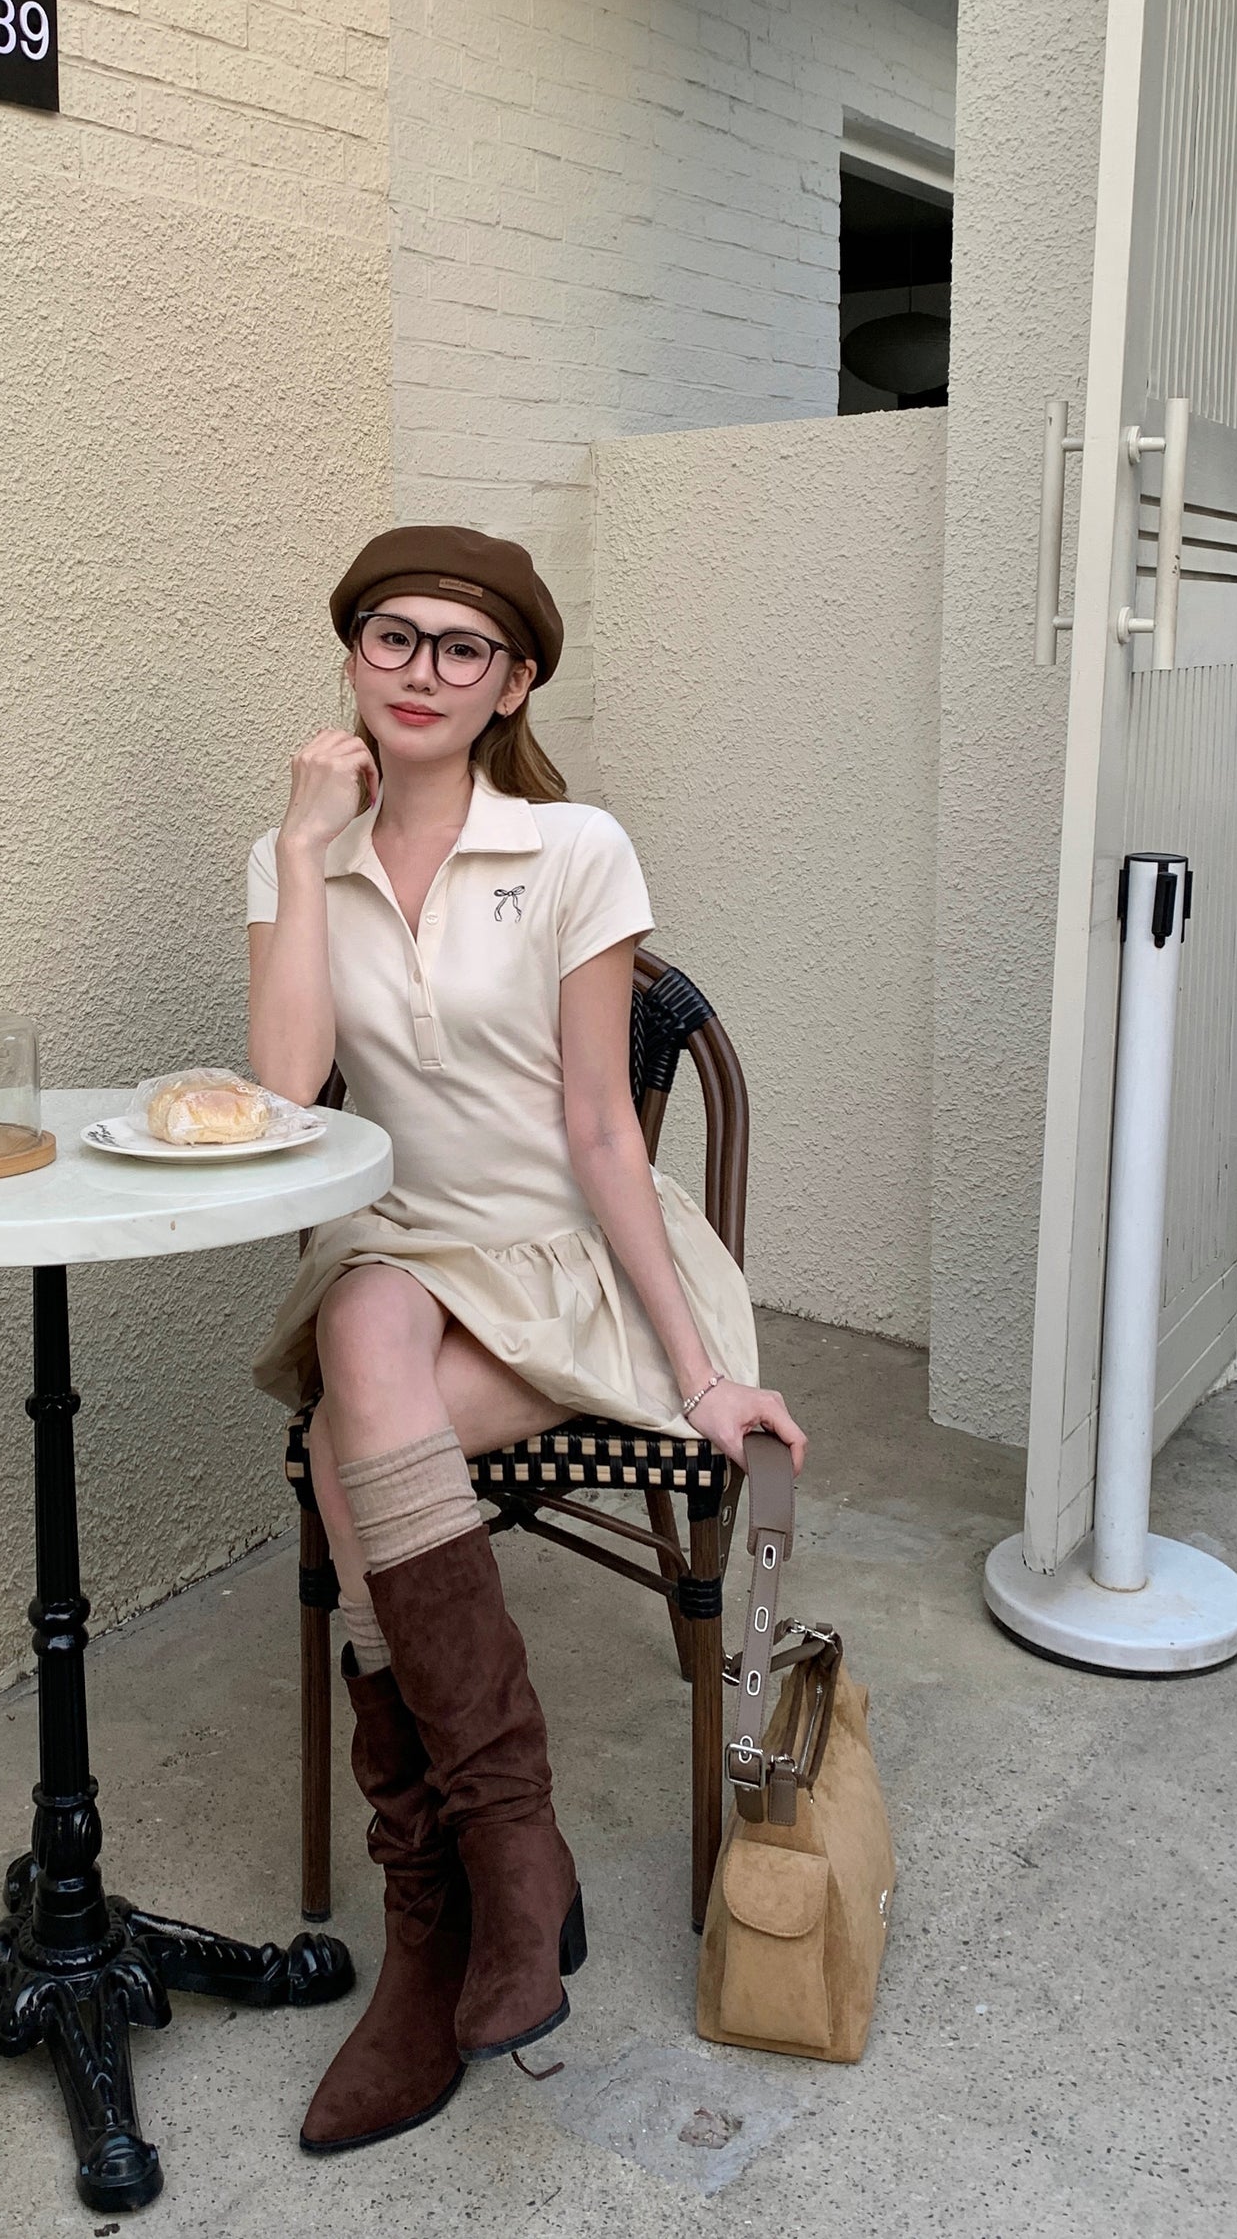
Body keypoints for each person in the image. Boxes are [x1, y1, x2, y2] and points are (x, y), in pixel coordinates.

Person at [246, 525, 807, 2156]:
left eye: (460, 647)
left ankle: (436, 1912)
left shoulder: (572, 847)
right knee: (365, 1304)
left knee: (353, 1436)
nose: (419, 670)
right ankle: (505, 1860)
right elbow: (283, 1099)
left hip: (561, 1266)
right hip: (399, 1254)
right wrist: (303, 851)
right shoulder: (297, 852)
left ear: (513, 683)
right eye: (391, 636)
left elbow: (600, 1127)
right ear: (352, 653)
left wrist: (701, 1367)